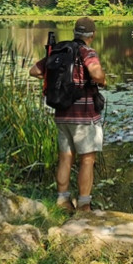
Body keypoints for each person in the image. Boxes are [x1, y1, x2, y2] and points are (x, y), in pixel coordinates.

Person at [30, 16, 106, 213]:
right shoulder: (86, 51)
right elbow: (97, 74)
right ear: (92, 35)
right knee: (87, 160)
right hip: (84, 116)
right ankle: (83, 204)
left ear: (75, 32)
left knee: (65, 158)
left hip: (62, 114)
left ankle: (62, 201)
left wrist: (58, 81)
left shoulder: (60, 50)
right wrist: (102, 80)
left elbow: (34, 71)